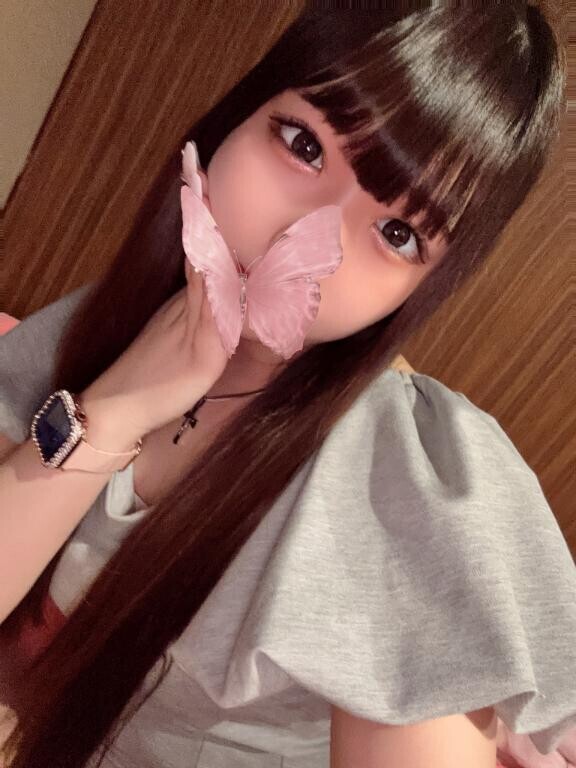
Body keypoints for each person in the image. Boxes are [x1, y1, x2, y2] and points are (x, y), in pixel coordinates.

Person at [0, 5, 575, 768]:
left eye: (398, 234)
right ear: (238, 117)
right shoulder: (104, 324)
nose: (305, 245)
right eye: (305, 145)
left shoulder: (393, 483)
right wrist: (114, 409)